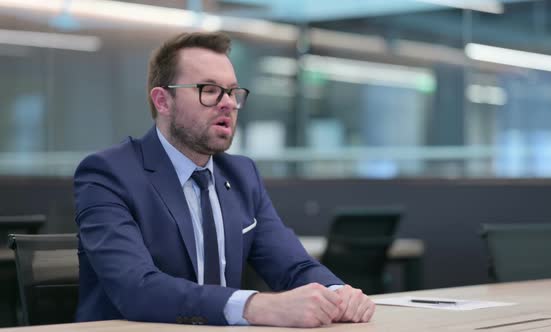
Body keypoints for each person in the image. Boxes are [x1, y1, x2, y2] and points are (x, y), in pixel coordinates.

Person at [74, 31, 375, 328]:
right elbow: (136, 289)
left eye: (232, 91)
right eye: (209, 90)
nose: (228, 103)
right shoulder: (108, 174)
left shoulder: (242, 176)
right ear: (163, 101)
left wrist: (338, 294)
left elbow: (293, 265)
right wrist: (254, 306)